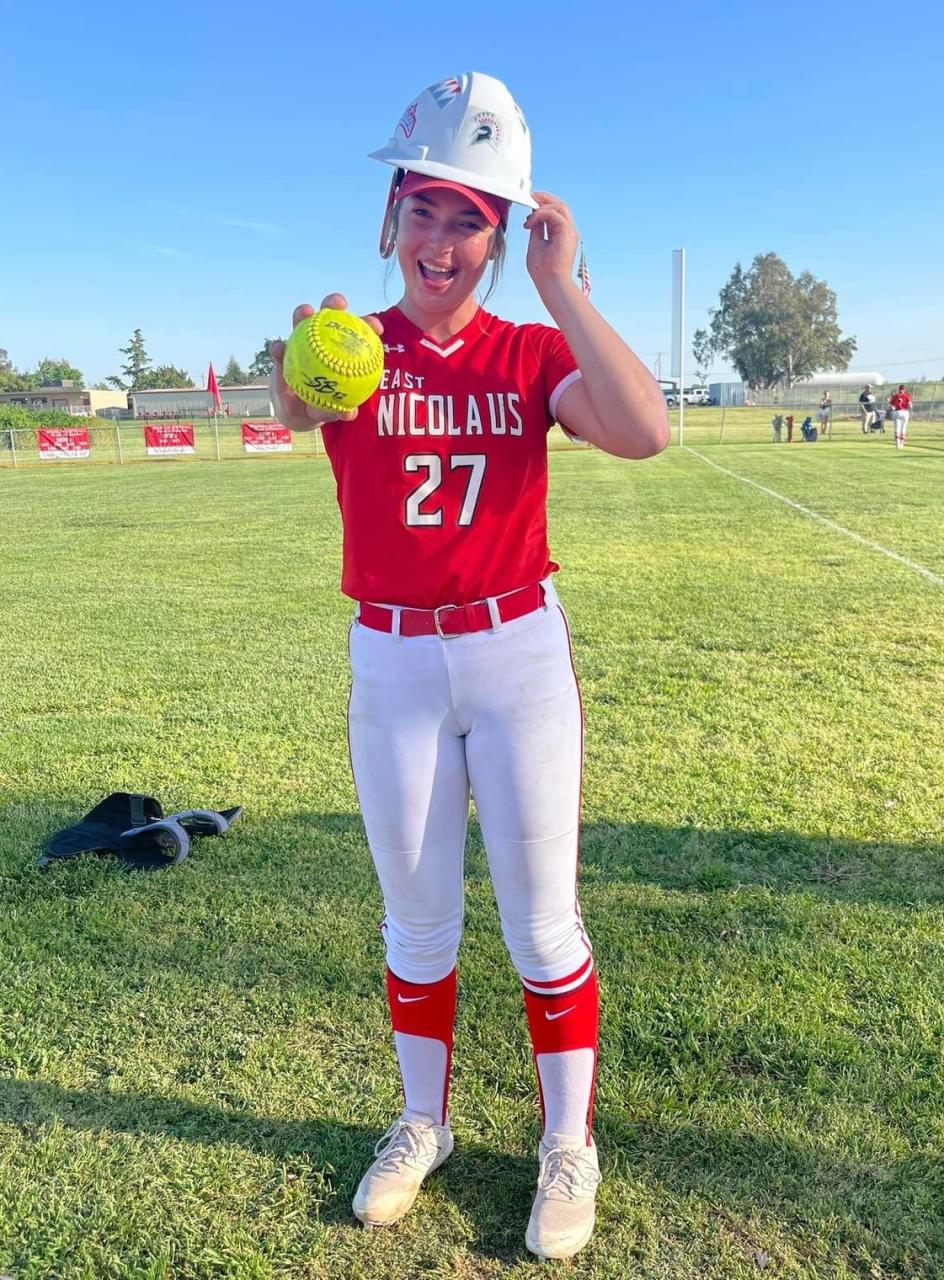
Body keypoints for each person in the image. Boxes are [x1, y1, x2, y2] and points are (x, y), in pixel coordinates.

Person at [267, 72, 669, 1261]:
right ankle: (423, 1119)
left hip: (513, 654)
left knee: (544, 925)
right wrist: (297, 365)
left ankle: (565, 1140)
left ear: (503, 234)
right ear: (393, 219)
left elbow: (644, 428)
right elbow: (292, 409)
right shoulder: (349, 348)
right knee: (417, 918)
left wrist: (562, 286)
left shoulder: (527, 347)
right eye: (425, 210)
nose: (442, 241)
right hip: (391, 658)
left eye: (469, 218)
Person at [889, 384, 912, 449]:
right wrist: (909, 411)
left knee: (897, 428)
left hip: (897, 412)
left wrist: (892, 409)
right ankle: (902, 444)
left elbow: (891, 405)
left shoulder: (896, 396)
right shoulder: (907, 395)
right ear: (905, 389)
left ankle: (897, 444)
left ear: (899, 389)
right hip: (905, 412)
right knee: (903, 428)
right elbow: (910, 405)